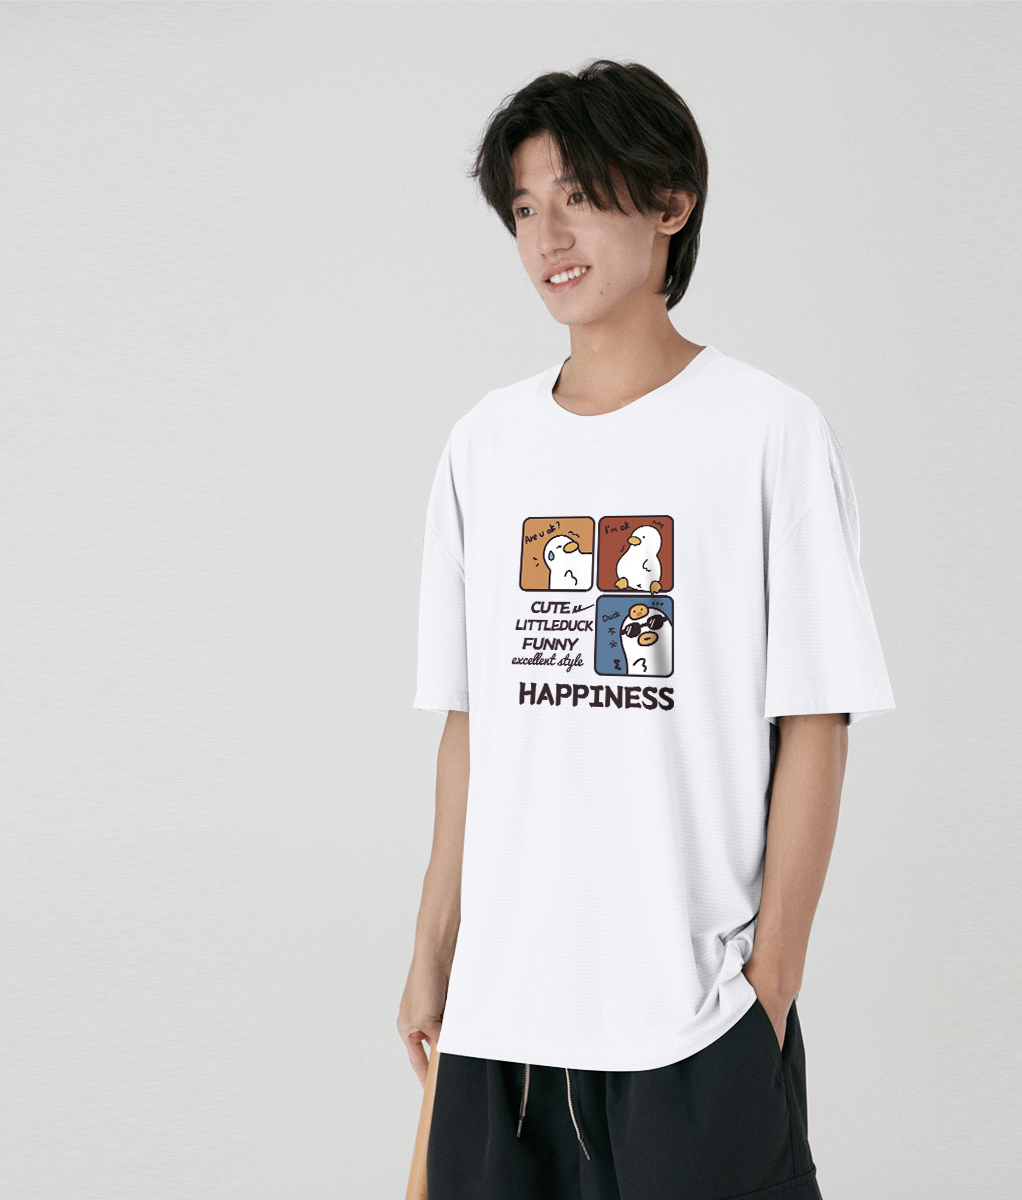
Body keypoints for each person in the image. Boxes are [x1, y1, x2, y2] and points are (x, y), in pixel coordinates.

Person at [398, 59, 895, 1200]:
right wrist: (431, 954)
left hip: (691, 1027)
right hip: (501, 1028)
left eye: (578, 194)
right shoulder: (485, 445)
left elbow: (815, 722)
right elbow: (472, 725)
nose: (547, 236)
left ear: (670, 202)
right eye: (524, 208)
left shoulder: (767, 432)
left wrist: (768, 993)